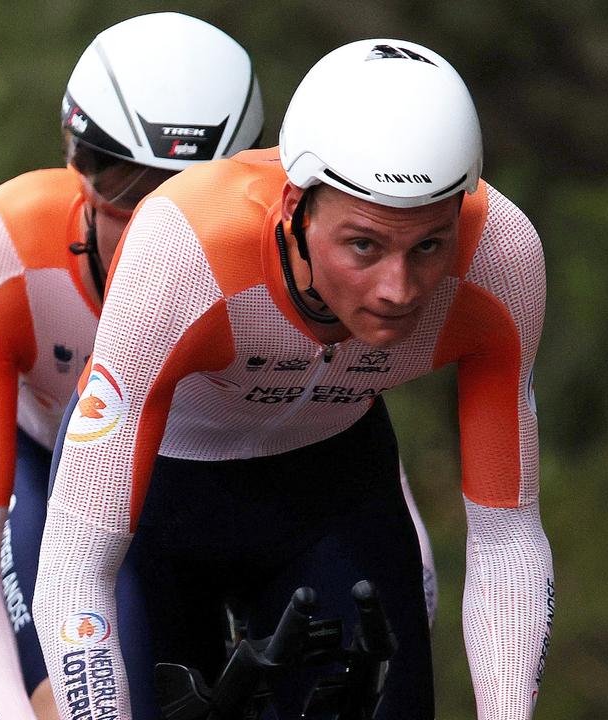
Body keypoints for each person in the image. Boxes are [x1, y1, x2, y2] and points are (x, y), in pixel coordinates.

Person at [34, 38, 555, 720]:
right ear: (294, 210)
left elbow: (506, 535)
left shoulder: (501, 258)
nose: (398, 289)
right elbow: (76, 568)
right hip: (157, 499)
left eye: (429, 245)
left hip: (326, 490)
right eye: (363, 244)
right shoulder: (187, 247)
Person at [0, 13, 269, 720]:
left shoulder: (283, 268)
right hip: (48, 482)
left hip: (198, 485)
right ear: (75, 164)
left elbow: (361, 459)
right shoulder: (2, 249)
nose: (154, 226)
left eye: (187, 195)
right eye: (124, 183)